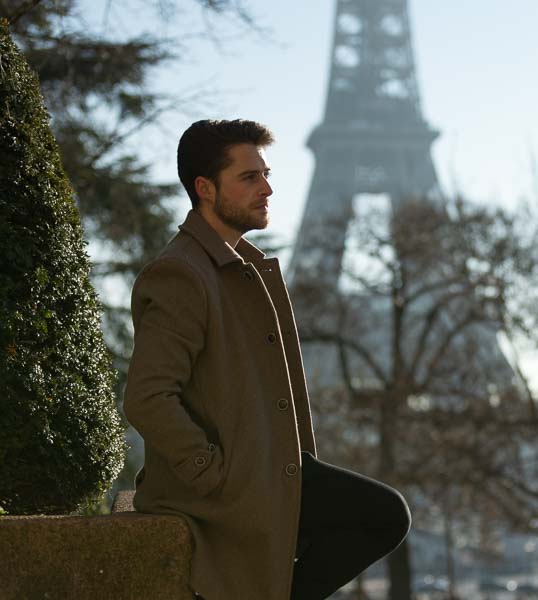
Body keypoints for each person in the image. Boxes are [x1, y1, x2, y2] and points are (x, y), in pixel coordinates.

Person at [124, 119, 410, 600]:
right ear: (206, 189)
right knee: (384, 515)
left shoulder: (244, 266)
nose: (268, 188)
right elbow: (148, 396)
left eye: (266, 173)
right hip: (232, 479)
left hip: (265, 466)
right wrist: (212, 472)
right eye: (249, 177)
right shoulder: (182, 273)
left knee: (384, 515)